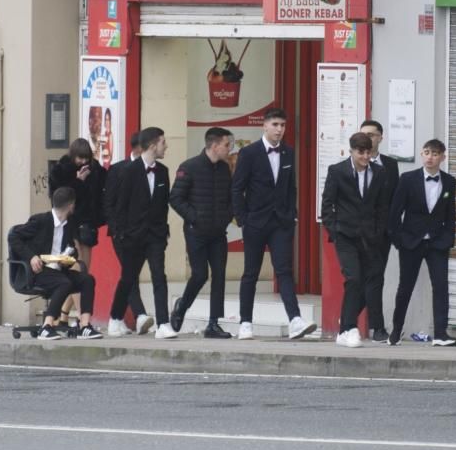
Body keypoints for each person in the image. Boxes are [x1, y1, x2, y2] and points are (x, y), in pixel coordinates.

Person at [231, 108, 316, 340]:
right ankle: (245, 322)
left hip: (281, 222)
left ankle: (295, 320)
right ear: (265, 126)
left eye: (283, 125)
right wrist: (243, 219)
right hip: (255, 222)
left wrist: (293, 214)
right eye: (275, 125)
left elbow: (291, 186)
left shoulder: (288, 152)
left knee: (284, 270)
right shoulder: (249, 153)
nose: (280, 129)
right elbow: (237, 187)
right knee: (251, 272)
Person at [321, 132, 391, 348]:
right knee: (354, 279)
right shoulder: (337, 171)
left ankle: (346, 323)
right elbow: (327, 204)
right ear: (351, 150)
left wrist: (379, 232)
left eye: (368, 152)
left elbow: (382, 206)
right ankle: (350, 328)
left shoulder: (379, 173)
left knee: (371, 281)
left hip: (370, 237)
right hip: (346, 236)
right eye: (361, 152)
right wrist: (335, 230)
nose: (365, 156)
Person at [387, 139, 456, 347]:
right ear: (421, 154)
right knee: (405, 287)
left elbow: (450, 214)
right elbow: (394, 214)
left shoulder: (450, 182)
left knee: (441, 287)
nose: (430, 157)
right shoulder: (408, 179)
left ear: (443, 158)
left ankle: (440, 334)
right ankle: (396, 331)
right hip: (411, 242)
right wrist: (399, 241)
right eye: (426, 152)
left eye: (435, 153)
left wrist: (448, 239)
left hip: (437, 243)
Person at [107, 126, 177, 339]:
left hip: (155, 235)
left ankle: (164, 323)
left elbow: (163, 204)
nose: (166, 146)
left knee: (159, 276)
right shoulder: (128, 171)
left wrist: (163, 231)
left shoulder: (163, 171)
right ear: (153, 145)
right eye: (163, 142)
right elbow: (120, 206)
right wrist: (121, 233)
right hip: (132, 235)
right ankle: (115, 317)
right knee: (128, 278)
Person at [8, 186, 102, 340]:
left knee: (87, 280)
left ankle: (85, 326)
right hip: (38, 271)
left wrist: (68, 258)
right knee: (64, 283)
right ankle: (47, 326)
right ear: (71, 206)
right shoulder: (40, 220)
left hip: (59, 269)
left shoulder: (70, 223)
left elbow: (72, 248)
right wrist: (31, 257)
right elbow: (13, 237)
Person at [168, 127, 235, 339]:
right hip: (196, 232)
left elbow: (230, 197)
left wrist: (227, 216)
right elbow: (175, 199)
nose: (229, 149)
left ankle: (213, 323)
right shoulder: (189, 167)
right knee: (200, 274)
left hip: (218, 232)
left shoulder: (225, 169)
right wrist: (195, 217)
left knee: (219, 275)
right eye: (227, 145)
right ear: (214, 146)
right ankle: (182, 306)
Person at [48, 138, 106, 326]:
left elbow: (99, 195)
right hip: (69, 225)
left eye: (86, 158)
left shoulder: (95, 170)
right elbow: (60, 199)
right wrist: (79, 181)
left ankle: (63, 313)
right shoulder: (61, 170)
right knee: (78, 269)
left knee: (84, 271)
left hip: (87, 225)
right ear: (73, 156)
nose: (83, 162)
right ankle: (83, 318)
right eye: (79, 158)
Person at [103, 131, 154, 335]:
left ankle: (116, 318)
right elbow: (109, 203)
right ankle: (139, 314)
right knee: (129, 272)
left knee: (129, 274)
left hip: (146, 233)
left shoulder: (154, 170)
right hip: (123, 233)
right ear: (140, 148)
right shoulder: (118, 170)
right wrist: (117, 230)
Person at [359, 119, 400, 342]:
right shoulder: (353, 163)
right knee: (361, 278)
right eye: (363, 134)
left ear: (380, 137)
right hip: (357, 232)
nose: (368, 138)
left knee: (375, 277)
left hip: (382, 232)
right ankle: (368, 325)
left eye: (372, 135)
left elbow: (394, 200)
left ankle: (373, 326)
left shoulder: (390, 165)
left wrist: (393, 230)